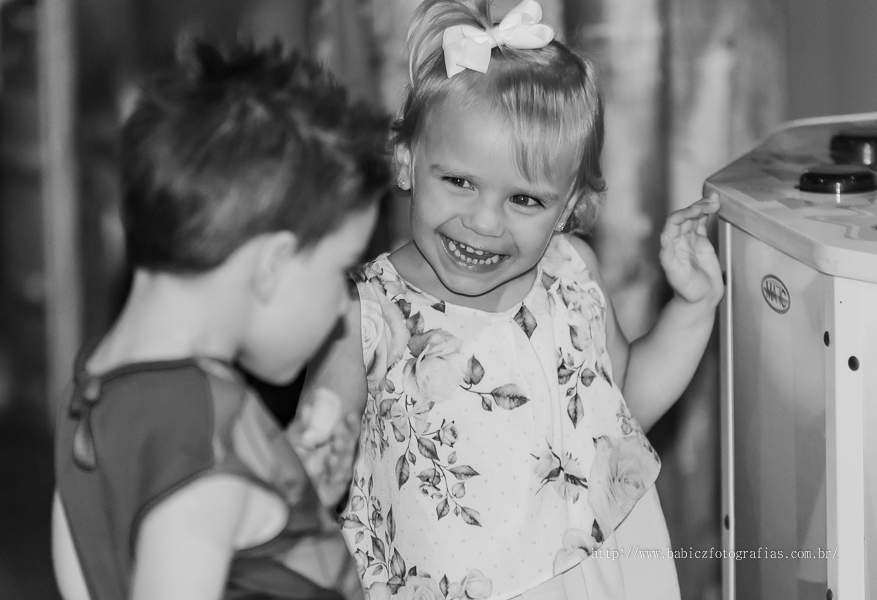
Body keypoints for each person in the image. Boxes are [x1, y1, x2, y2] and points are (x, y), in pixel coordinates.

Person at [288, 0, 724, 599]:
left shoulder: (572, 272)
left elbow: (618, 409)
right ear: (407, 161)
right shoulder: (361, 313)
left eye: (525, 200)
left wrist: (693, 308)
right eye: (460, 182)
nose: (485, 222)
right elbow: (310, 473)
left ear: (569, 206)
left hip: (593, 571)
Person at [51, 35, 392, 600]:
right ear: (272, 265)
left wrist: (284, 493)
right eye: (340, 269)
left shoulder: (93, 385)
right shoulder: (203, 434)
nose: (341, 304)